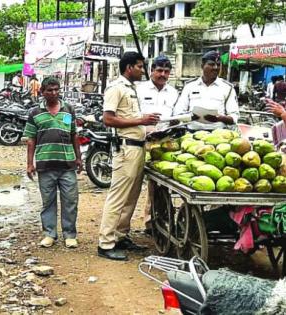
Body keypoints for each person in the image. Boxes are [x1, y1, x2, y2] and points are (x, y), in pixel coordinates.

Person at [97, 52, 160, 261]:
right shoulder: (116, 88)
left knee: (131, 197)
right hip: (126, 149)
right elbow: (108, 119)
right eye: (140, 67)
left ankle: (120, 236)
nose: (143, 71)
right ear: (129, 67)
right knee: (118, 197)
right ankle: (105, 243)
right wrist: (141, 120)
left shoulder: (131, 88)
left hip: (138, 148)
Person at [24, 76, 82, 249]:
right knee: (48, 201)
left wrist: (79, 158)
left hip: (67, 164)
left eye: (57, 89)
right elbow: (31, 139)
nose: (54, 93)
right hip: (45, 164)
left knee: (70, 200)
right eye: (50, 90)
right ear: (42, 92)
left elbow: (74, 135)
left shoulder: (68, 110)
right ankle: (49, 233)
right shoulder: (35, 113)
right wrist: (29, 163)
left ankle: (69, 234)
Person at [136, 55, 179, 231]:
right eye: (159, 70)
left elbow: (177, 117)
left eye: (166, 71)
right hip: (142, 140)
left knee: (161, 182)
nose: (162, 74)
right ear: (152, 70)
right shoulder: (140, 90)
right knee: (139, 182)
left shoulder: (174, 93)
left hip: (165, 142)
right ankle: (146, 220)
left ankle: (156, 220)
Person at [172, 51, 239, 131]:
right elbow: (179, 111)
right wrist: (190, 117)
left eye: (218, 65)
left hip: (218, 135)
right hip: (191, 133)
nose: (215, 67)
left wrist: (220, 118)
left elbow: (234, 116)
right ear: (202, 66)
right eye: (211, 64)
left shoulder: (227, 87)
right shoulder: (190, 86)